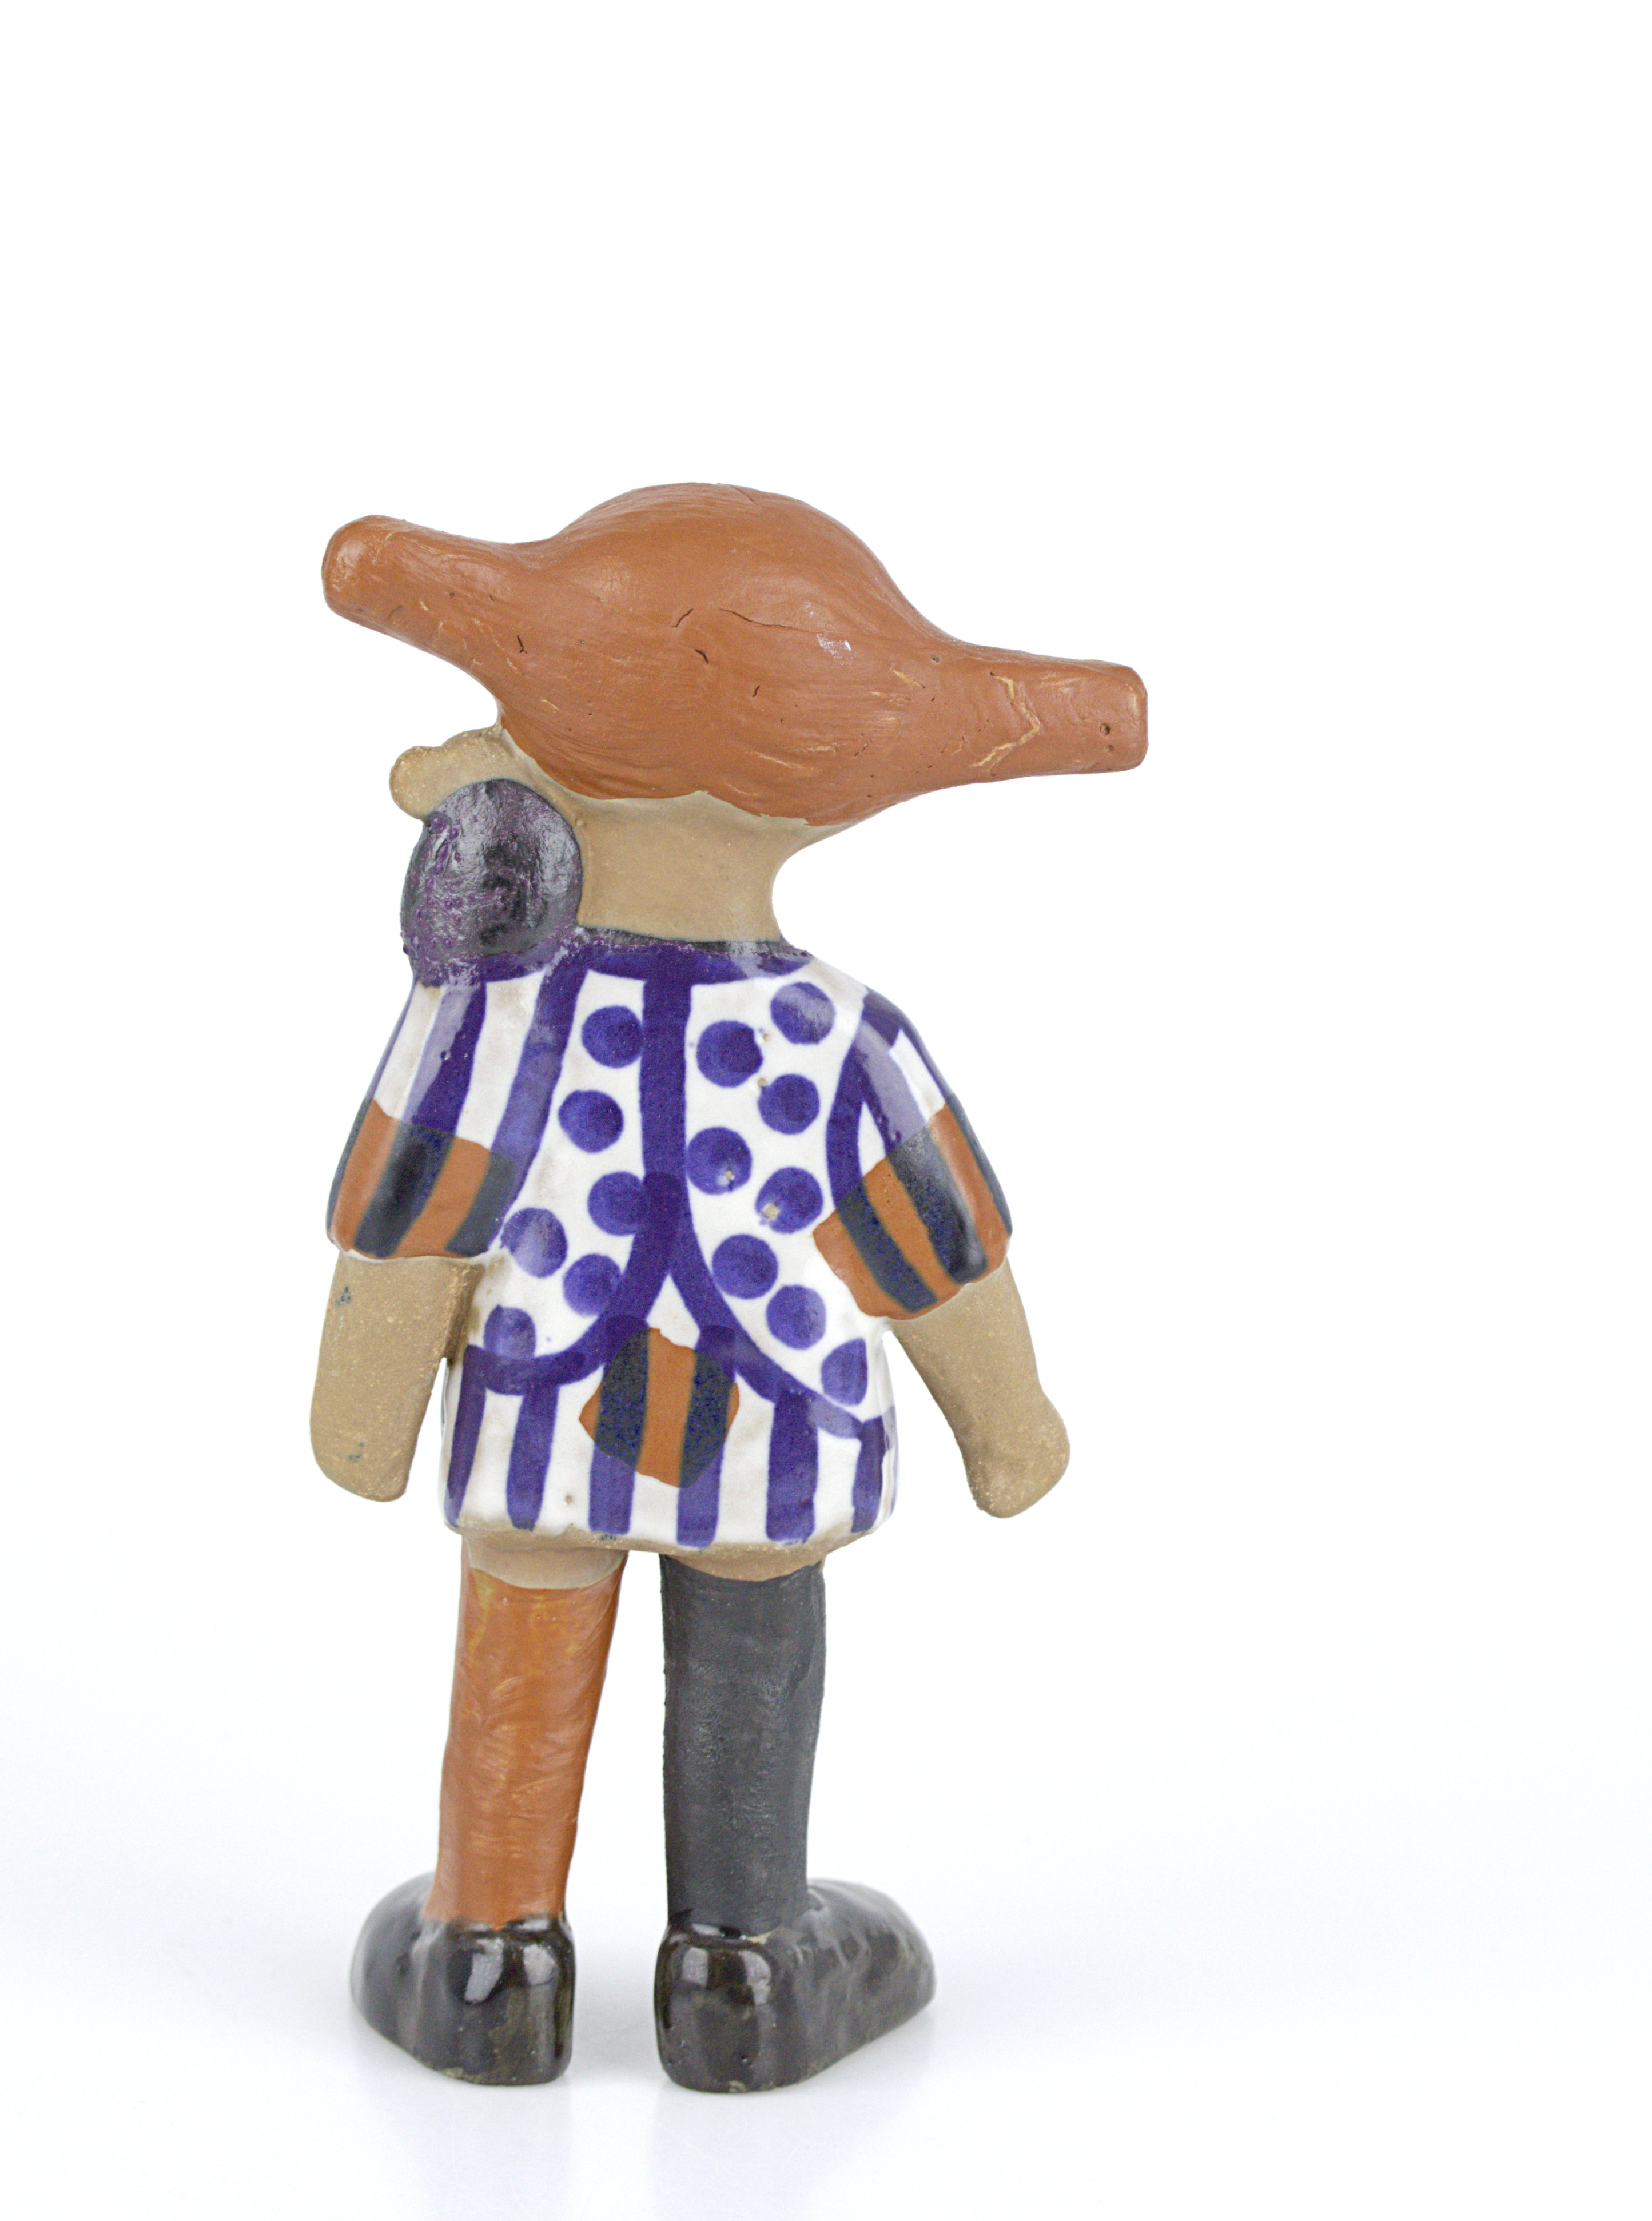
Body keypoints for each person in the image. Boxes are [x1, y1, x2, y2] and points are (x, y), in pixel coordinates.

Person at [308, 484, 1145, 2089]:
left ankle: (488, 1955)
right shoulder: (843, 1035)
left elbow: (416, 1212)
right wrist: (1011, 1428)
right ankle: (744, 1967)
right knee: (754, 1634)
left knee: (528, 1614)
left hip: (547, 1399)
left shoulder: (491, 1016)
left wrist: (362, 1414)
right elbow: (935, 1246)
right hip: (771, 1414)